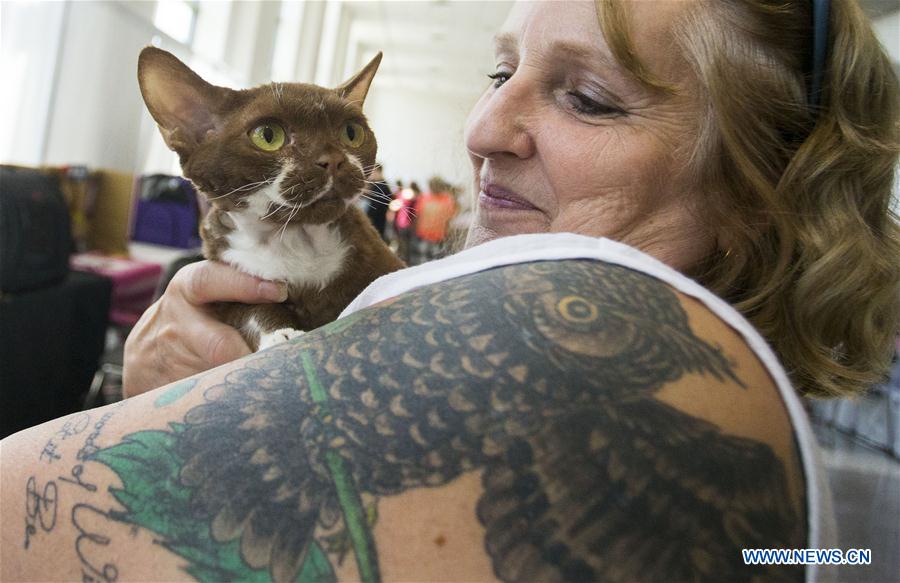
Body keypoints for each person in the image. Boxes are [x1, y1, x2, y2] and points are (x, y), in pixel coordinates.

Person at [3, 1, 897, 581]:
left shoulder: (578, 346)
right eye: (500, 74)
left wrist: (173, 424)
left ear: (755, 186)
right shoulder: (799, 436)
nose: (481, 129)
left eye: (587, 98)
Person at [364, 163, 392, 241]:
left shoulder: (383, 186)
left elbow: (377, 206)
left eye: (372, 172)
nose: (371, 174)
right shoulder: (377, 185)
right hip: (374, 220)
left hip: (377, 221)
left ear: (377, 171)